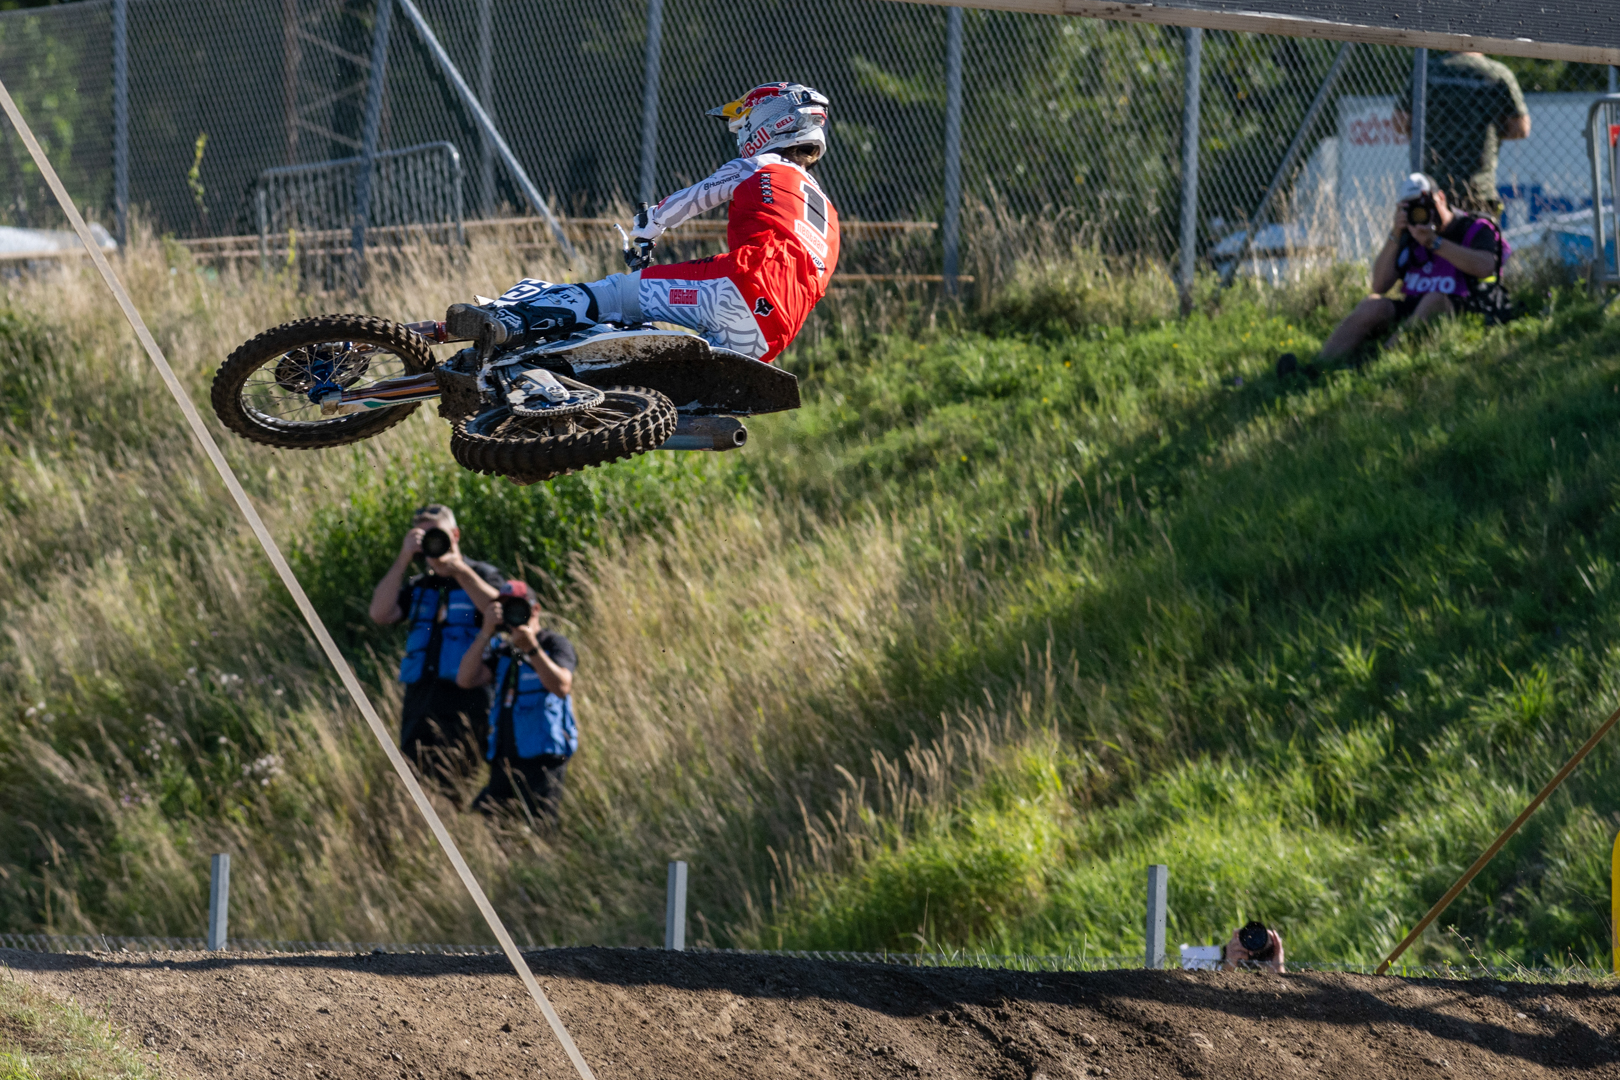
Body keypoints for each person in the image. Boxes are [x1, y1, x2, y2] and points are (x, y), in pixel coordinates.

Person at [445, 82, 840, 365]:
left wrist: (648, 225)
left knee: (617, 294)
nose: (739, 136)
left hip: (744, 282)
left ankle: (509, 322)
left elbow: (691, 200)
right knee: (665, 366)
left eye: (743, 124)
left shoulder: (762, 165)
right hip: (775, 330)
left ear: (771, 122)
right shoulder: (829, 213)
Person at [1302, 173, 1507, 370]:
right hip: (1414, 305)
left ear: (1441, 197)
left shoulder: (1475, 227)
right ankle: (1319, 366)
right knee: (1372, 303)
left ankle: (1378, 363)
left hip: (1462, 304)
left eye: (1424, 202)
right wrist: (1395, 234)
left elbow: (1485, 266)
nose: (1421, 211)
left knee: (1433, 299)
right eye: (1411, 206)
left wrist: (1435, 243)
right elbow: (1379, 285)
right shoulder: (1409, 235)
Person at [369, 505, 504, 791]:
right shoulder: (421, 585)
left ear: (455, 535)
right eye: (424, 537)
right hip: (421, 702)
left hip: (468, 701)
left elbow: (500, 612)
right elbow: (380, 613)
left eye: (437, 535)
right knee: (417, 785)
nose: (432, 543)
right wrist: (404, 557)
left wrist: (460, 572)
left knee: (460, 783)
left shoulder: (481, 574)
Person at [456, 580, 578, 822]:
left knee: (539, 829)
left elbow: (562, 686)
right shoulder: (503, 651)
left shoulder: (554, 644)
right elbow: (465, 679)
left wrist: (532, 648)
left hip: (543, 761)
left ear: (535, 609)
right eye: (505, 608)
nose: (512, 614)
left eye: (517, 607)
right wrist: (485, 632)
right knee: (493, 826)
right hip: (505, 759)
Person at [1395, 51, 1530, 217]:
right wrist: (1493, 129)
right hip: (1477, 187)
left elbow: (1400, 122)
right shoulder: (1496, 73)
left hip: (1431, 185)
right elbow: (1521, 128)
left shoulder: (1428, 71)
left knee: (1428, 230)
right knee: (1479, 231)